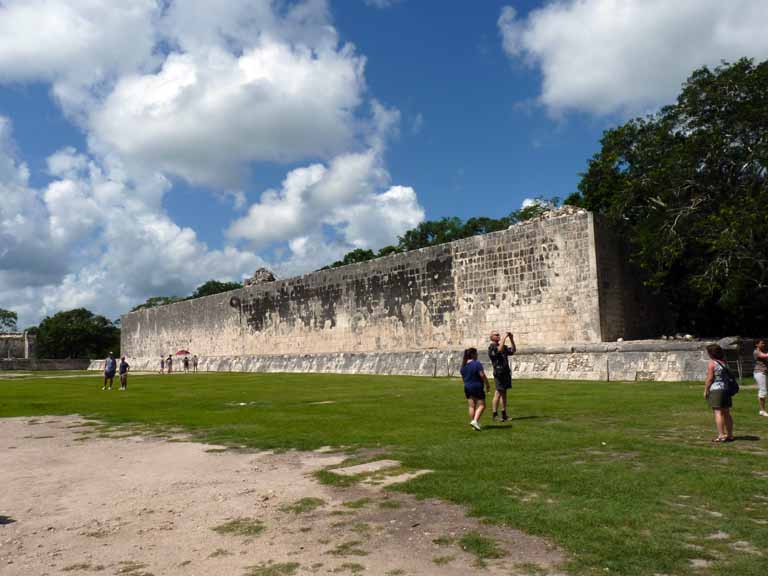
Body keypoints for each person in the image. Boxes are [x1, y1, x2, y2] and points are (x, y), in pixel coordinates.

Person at [704, 344, 734, 443]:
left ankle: (721, 435)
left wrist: (706, 390)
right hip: (726, 389)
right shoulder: (724, 362)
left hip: (716, 390)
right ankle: (729, 435)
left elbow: (710, 378)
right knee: (727, 413)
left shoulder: (712, 363)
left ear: (711, 353)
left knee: (718, 413)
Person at [488, 331, 516, 422]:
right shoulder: (491, 347)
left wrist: (511, 339)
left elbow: (513, 350)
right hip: (499, 373)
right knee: (498, 393)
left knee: (504, 393)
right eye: (496, 335)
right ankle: (495, 414)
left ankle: (504, 414)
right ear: (492, 337)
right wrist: (504, 338)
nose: (498, 336)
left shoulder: (503, 346)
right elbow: (498, 350)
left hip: (505, 372)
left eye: (498, 334)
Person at [460, 348, 490, 431]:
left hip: (467, 387)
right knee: (482, 405)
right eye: (476, 353)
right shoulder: (477, 363)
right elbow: (482, 375)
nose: (477, 355)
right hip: (476, 386)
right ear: (473, 354)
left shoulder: (463, 366)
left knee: (471, 406)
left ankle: (474, 424)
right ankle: (475, 421)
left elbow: (463, 378)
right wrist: (487, 384)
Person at [754, 340, 768, 417]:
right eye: (762, 343)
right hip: (759, 373)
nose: (763, 344)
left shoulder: (764, 351)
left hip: (764, 373)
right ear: (756, 344)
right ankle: (762, 410)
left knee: (764, 391)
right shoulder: (756, 352)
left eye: (763, 343)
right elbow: (764, 356)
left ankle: (762, 410)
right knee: (763, 391)